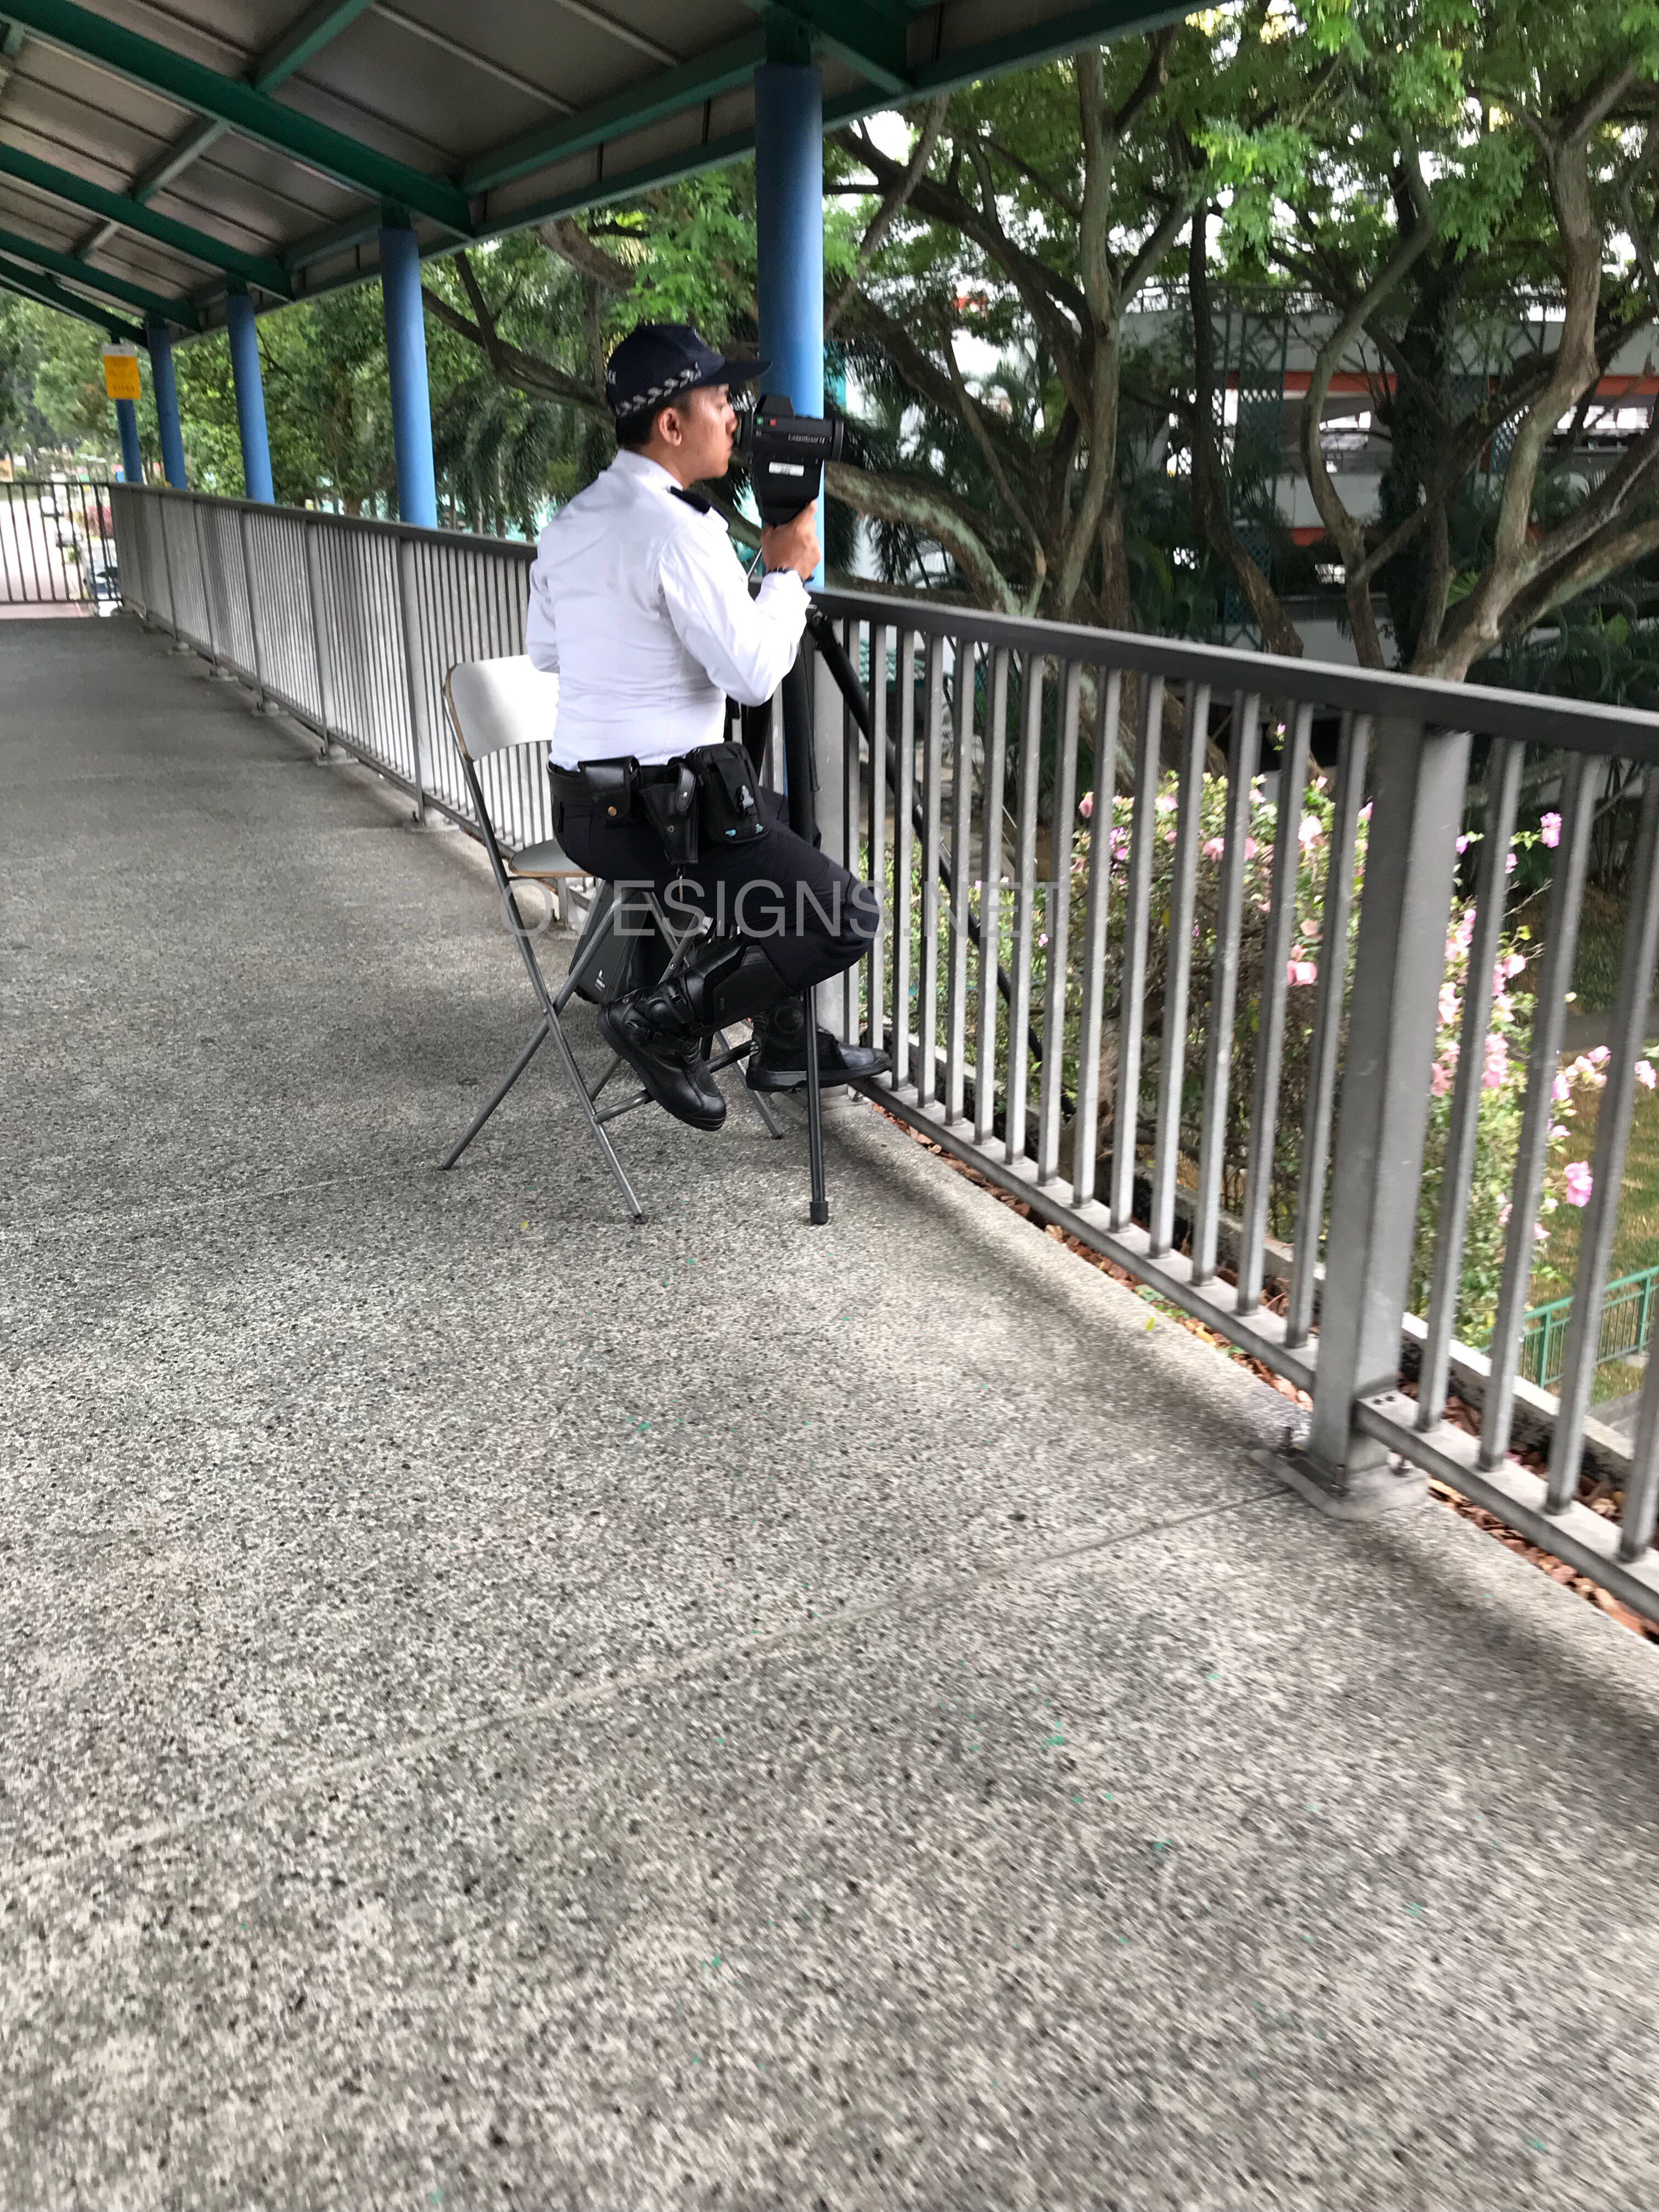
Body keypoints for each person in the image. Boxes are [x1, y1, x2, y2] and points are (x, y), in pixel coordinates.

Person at [526, 321, 887, 1132]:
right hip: (664, 820)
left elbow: (546, 650)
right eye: (721, 399)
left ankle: (783, 1038)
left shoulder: (573, 519)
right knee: (845, 915)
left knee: (785, 824)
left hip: (585, 813)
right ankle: (662, 1019)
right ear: (671, 423)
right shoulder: (679, 531)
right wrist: (786, 574)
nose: (736, 416)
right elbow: (755, 674)